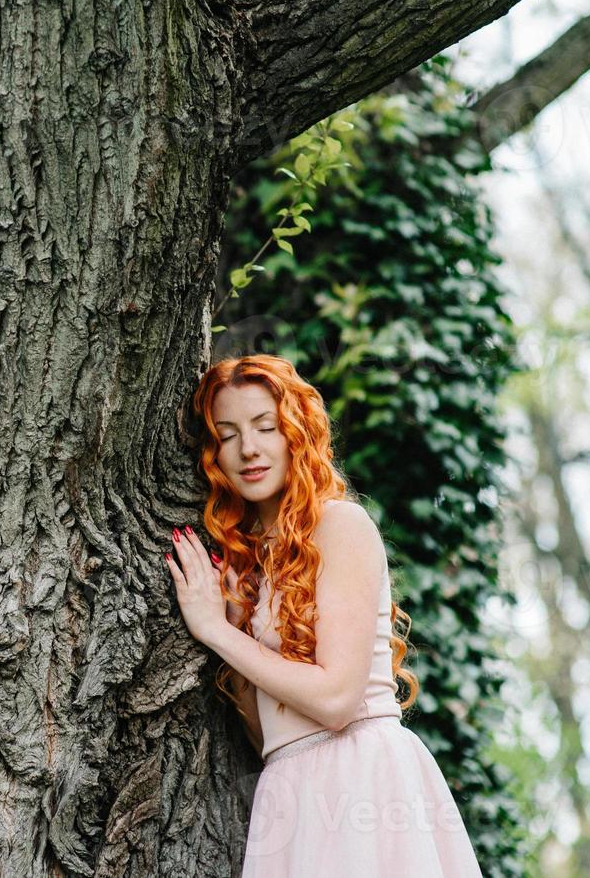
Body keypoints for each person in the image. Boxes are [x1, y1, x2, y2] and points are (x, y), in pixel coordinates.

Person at [163, 354, 484, 877]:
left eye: (266, 427)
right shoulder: (249, 563)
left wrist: (216, 631)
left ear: (295, 433)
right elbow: (269, 737)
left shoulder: (341, 525)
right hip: (289, 788)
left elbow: (336, 702)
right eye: (227, 434)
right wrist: (231, 613)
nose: (249, 448)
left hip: (362, 780)